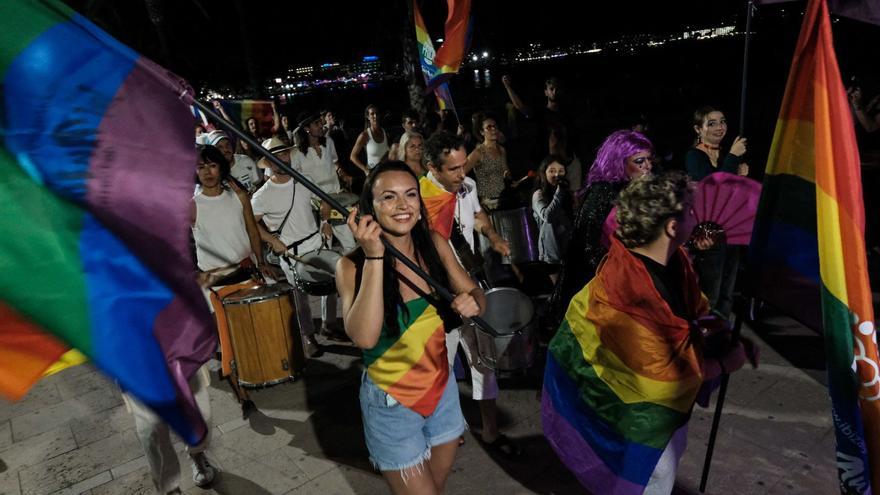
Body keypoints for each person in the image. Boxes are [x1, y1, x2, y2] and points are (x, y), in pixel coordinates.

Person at [542, 172, 756, 495]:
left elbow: (691, 311)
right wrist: (726, 364)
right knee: (651, 480)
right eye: (689, 212)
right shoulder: (627, 289)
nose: (697, 217)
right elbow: (661, 383)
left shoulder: (674, 258)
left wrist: (721, 334)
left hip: (664, 421)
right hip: (637, 423)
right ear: (671, 227)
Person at [335, 161, 484, 494]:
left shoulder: (434, 244)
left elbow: (476, 294)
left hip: (442, 391)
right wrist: (374, 256)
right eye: (388, 197)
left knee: (436, 487)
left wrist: (473, 301)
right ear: (368, 208)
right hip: (391, 403)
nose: (403, 206)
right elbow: (364, 336)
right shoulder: (351, 266)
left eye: (410, 195)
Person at [422, 132, 522, 458]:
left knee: (484, 360)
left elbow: (477, 215)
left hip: (472, 285)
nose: (462, 173)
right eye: (453, 169)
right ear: (432, 168)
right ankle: (444, 430)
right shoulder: (418, 199)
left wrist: (492, 234)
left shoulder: (468, 186)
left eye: (464, 165)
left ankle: (490, 428)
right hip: (440, 298)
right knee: (442, 366)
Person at [551, 130, 654, 320]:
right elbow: (586, 246)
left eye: (649, 159)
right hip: (600, 282)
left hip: (629, 278)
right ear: (620, 162)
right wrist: (616, 274)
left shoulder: (641, 190)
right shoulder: (602, 192)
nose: (647, 166)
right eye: (639, 161)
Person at [251, 136, 332, 357]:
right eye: (274, 157)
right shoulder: (262, 196)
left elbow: (324, 199)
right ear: (267, 163)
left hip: (316, 241)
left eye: (284, 154)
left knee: (331, 285)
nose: (281, 159)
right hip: (292, 253)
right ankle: (308, 336)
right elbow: (250, 223)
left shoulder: (303, 179)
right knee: (301, 300)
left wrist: (325, 221)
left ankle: (329, 324)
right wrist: (271, 239)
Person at [292, 111, 355, 338]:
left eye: (321, 122)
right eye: (317, 123)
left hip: (337, 200)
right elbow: (300, 185)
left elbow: (336, 164)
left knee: (350, 250)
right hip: (317, 207)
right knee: (328, 262)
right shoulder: (298, 153)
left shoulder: (328, 142)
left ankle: (349, 308)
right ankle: (328, 322)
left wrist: (343, 173)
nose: (321, 126)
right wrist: (323, 218)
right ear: (308, 128)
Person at [685, 106, 748, 320]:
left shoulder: (724, 157)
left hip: (732, 230)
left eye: (722, 121)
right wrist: (732, 158)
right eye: (711, 123)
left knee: (727, 293)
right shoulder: (694, 156)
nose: (719, 127)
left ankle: (721, 338)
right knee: (709, 291)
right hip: (708, 232)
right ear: (698, 129)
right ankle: (703, 341)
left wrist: (741, 177)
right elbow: (711, 186)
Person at [531, 156, 573, 275]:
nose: (557, 175)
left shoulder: (566, 193)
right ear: (544, 173)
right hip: (551, 253)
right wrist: (559, 193)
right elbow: (547, 216)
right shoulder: (538, 195)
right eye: (552, 171)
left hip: (568, 247)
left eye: (561, 171)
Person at [465, 112, 510, 208]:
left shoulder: (502, 150)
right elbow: (460, 173)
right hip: (488, 204)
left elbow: (506, 173)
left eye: (495, 126)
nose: (494, 129)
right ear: (481, 132)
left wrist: (509, 179)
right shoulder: (478, 153)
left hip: (504, 199)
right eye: (489, 127)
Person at [202, 130, 263, 194]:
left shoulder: (246, 161)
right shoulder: (212, 175)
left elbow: (259, 184)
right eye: (219, 147)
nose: (225, 149)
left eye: (227, 144)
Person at [350, 104, 389, 174]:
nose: (375, 116)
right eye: (372, 114)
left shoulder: (385, 132)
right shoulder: (364, 135)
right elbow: (353, 156)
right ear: (368, 117)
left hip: (386, 171)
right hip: (373, 173)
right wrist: (365, 170)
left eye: (377, 113)